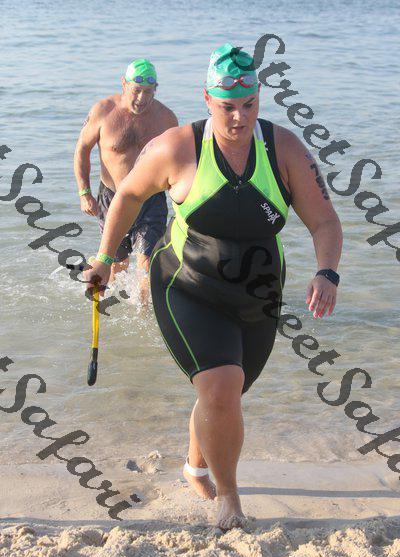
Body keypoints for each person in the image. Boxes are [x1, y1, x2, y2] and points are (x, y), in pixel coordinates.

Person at [85, 43, 343, 530]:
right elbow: (129, 195)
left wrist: (326, 272)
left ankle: (195, 466)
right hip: (186, 285)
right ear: (207, 99)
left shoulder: (284, 149)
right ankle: (230, 498)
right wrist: (103, 257)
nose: (239, 117)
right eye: (227, 106)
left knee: (226, 391)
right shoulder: (177, 147)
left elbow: (325, 221)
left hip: (258, 295)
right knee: (222, 385)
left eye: (249, 104)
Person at [74, 58, 178, 302]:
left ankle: (143, 314)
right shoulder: (103, 111)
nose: (142, 98)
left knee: (147, 264)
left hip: (150, 199)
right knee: (116, 265)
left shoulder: (166, 119)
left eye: (149, 92)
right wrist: (84, 192)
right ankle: (112, 305)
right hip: (112, 197)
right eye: (137, 90)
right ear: (124, 84)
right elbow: (82, 150)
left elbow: (177, 161)